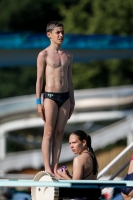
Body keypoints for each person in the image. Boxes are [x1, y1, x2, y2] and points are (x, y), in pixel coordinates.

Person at [36, 21, 75, 178]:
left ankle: (55, 167)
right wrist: (38, 102)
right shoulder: (43, 55)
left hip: (65, 97)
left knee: (59, 133)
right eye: (57, 32)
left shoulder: (68, 56)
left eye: (62, 32)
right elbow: (39, 79)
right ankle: (47, 168)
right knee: (49, 133)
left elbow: (70, 80)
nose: (61, 35)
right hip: (50, 96)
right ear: (49, 35)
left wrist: (72, 101)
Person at [57, 130, 101, 199]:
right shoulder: (92, 156)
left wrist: (64, 175)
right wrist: (69, 176)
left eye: (74, 143)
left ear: (84, 142)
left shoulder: (78, 159)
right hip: (92, 195)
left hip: (82, 196)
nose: (71, 146)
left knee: (55, 190)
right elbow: (83, 181)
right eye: (70, 143)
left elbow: (75, 185)